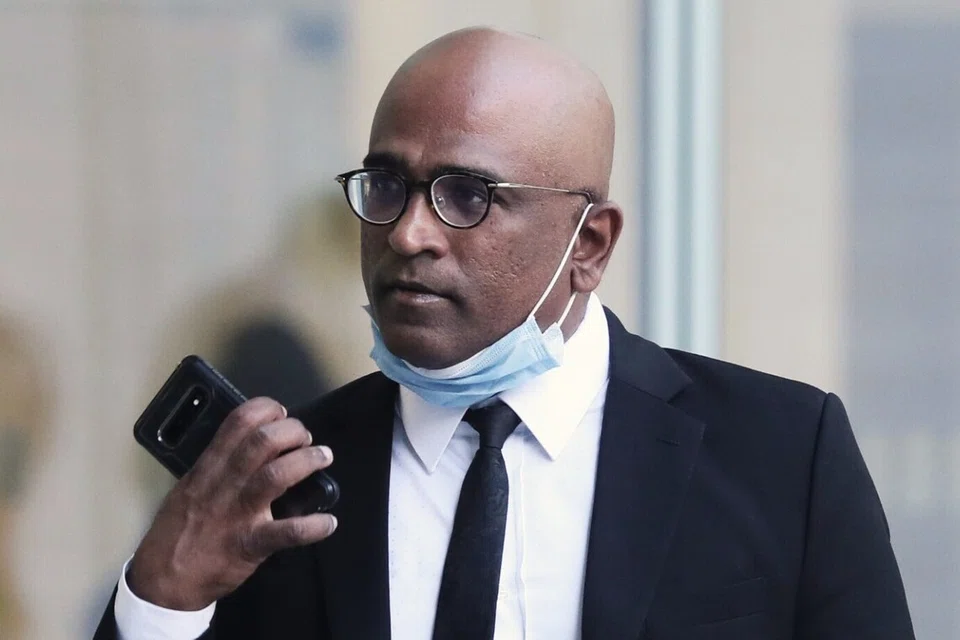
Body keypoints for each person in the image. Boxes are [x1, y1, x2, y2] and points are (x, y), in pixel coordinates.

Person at [94, 27, 914, 640]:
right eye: (386, 185)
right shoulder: (284, 486)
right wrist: (161, 600)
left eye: (467, 195)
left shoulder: (782, 456)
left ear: (588, 245)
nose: (409, 232)